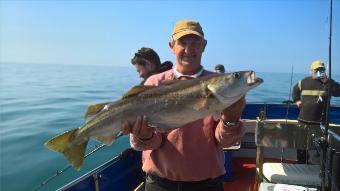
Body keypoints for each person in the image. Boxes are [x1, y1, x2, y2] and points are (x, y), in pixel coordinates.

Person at [123, 19, 245, 191]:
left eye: (195, 43)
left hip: (207, 185)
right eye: (182, 43)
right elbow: (146, 144)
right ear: (172, 45)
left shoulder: (220, 85)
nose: (189, 50)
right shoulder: (154, 82)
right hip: (160, 184)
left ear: (204, 46)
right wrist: (144, 136)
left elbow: (226, 142)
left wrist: (231, 120)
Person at [292, 60, 340, 163]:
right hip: (303, 121)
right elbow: (295, 90)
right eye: (317, 70)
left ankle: (318, 166)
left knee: (320, 147)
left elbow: (338, 92)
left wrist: (327, 81)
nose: (319, 72)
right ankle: (302, 163)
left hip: (320, 123)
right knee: (301, 145)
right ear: (311, 71)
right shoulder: (304, 81)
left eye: (321, 70)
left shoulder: (329, 83)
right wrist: (297, 100)